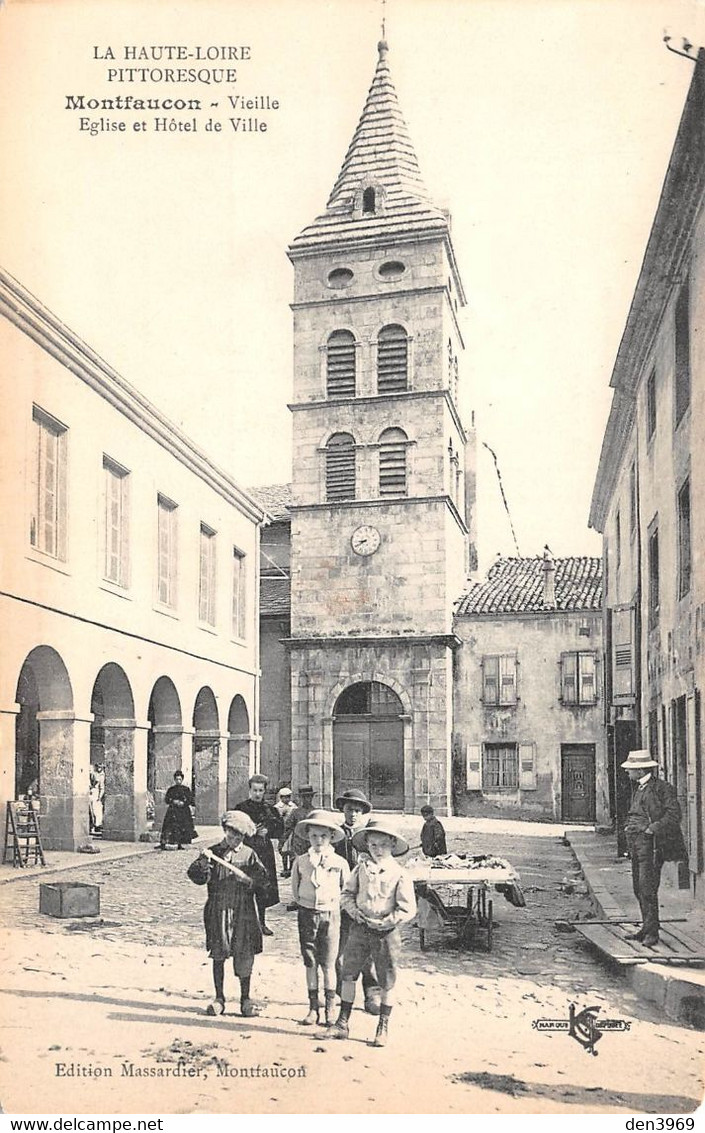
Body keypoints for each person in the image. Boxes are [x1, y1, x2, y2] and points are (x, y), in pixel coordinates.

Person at [331, 817, 416, 1048]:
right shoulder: (360, 870)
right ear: (367, 845)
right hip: (359, 928)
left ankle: (383, 1026)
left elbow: (408, 908)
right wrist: (354, 912)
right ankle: (342, 1022)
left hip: (385, 932)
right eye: (373, 845)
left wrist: (389, 921)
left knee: (386, 979)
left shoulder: (399, 874)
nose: (378, 850)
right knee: (348, 973)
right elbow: (346, 894)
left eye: (384, 845)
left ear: (393, 845)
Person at [187, 810, 268, 1017]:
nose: (234, 840)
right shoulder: (213, 852)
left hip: (244, 910)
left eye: (238, 837)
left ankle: (245, 999)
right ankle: (219, 998)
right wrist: (203, 864)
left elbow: (263, 881)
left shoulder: (249, 855)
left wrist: (250, 881)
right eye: (230, 835)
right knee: (219, 952)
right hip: (219, 909)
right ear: (225, 831)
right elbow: (197, 877)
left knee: (244, 952)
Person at [621, 748, 687, 947]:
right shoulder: (638, 788)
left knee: (647, 887)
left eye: (630, 769)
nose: (627, 772)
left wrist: (652, 829)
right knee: (637, 887)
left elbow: (674, 815)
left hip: (652, 845)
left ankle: (653, 933)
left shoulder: (662, 788)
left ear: (640, 771)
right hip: (636, 844)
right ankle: (646, 927)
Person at [290, 809, 350, 1027]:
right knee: (310, 962)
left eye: (323, 836)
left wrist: (331, 905)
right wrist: (305, 902)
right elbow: (295, 890)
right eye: (314, 836)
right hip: (307, 914)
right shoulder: (301, 861)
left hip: (331, 915)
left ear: (331, 837)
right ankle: (313, 1007)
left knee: (328, 963)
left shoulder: (340, 862)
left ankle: (330, 1008)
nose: (318, 840)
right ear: (307, 836)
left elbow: (346, 890)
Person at [334, 788, 381, 1015]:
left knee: (368, 949)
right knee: (340, 947)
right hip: (340, 900)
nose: (353, 814)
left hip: (364, 900)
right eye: (349, 810)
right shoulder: (335, 835)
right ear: (342, 810)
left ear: (363, 813)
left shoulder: (369, 837)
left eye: (357, 811)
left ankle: (372, 992)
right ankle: (340, 991)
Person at [234, 774, 283, 935]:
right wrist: (249, 830)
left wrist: (268, 831)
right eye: (254, 790)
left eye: (260, 790)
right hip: (245, 851)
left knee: (262, 886)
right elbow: (232, 827)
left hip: (264, 852)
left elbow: (280, 830)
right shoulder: (241, 808)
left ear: (264, 791)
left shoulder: (270, 810)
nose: (257, 794)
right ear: (249, 790)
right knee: (244, 886)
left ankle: (261, 923)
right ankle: (242, 924)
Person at [159, 770, 196, 850]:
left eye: (180, 779)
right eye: (177, 779)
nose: (178, 781)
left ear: (182, 779)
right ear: (174, 780)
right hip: (173, 811)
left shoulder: (186, 789)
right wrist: (173, 801)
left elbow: (191, 800)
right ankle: (169, 842)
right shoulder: (171, 789)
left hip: (184, 812)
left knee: (184, 825)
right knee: (171, 825)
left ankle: (183, 843)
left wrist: (184, 803)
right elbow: (167, 799)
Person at [286, 786, 316, 857]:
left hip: (312, 844)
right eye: (304, 797)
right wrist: (282, 843)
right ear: (300, 798)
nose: (306, 799)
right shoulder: (295, 812)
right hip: (298, 846)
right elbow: (287, 828)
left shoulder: (316, 812)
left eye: (308, 796)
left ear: (312, 797)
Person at [274, 787, 297, 878]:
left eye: (288, 797)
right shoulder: (277, 807)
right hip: (282, 831)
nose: (287, 799)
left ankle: (291, 869)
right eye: (284, 797)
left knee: (291, 850)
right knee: (282, 850)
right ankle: (284, 868)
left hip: (291, 830)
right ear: (281, 797)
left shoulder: (293, 806)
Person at [89, 764, 105, 834]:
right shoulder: (93, 774)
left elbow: (102, 788)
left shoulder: (101, 776)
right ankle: (92, 825)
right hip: (91, 793)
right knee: (91, 810)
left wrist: (99, 797)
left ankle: (97, 825)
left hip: (96, 794)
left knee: (96, 811)